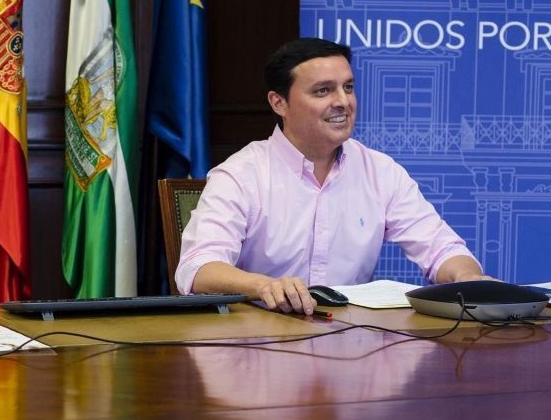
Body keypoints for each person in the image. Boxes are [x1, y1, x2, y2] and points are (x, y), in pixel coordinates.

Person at [176, 37, 486, 314]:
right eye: (323, 90)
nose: (343, 102)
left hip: (354, 341)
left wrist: (467, 276)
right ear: (279, 103)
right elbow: (198, 268)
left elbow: (442, 248)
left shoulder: (380, 172)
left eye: (348, 87)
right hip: (257, 339)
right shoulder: (241, 174)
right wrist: (264, 286)